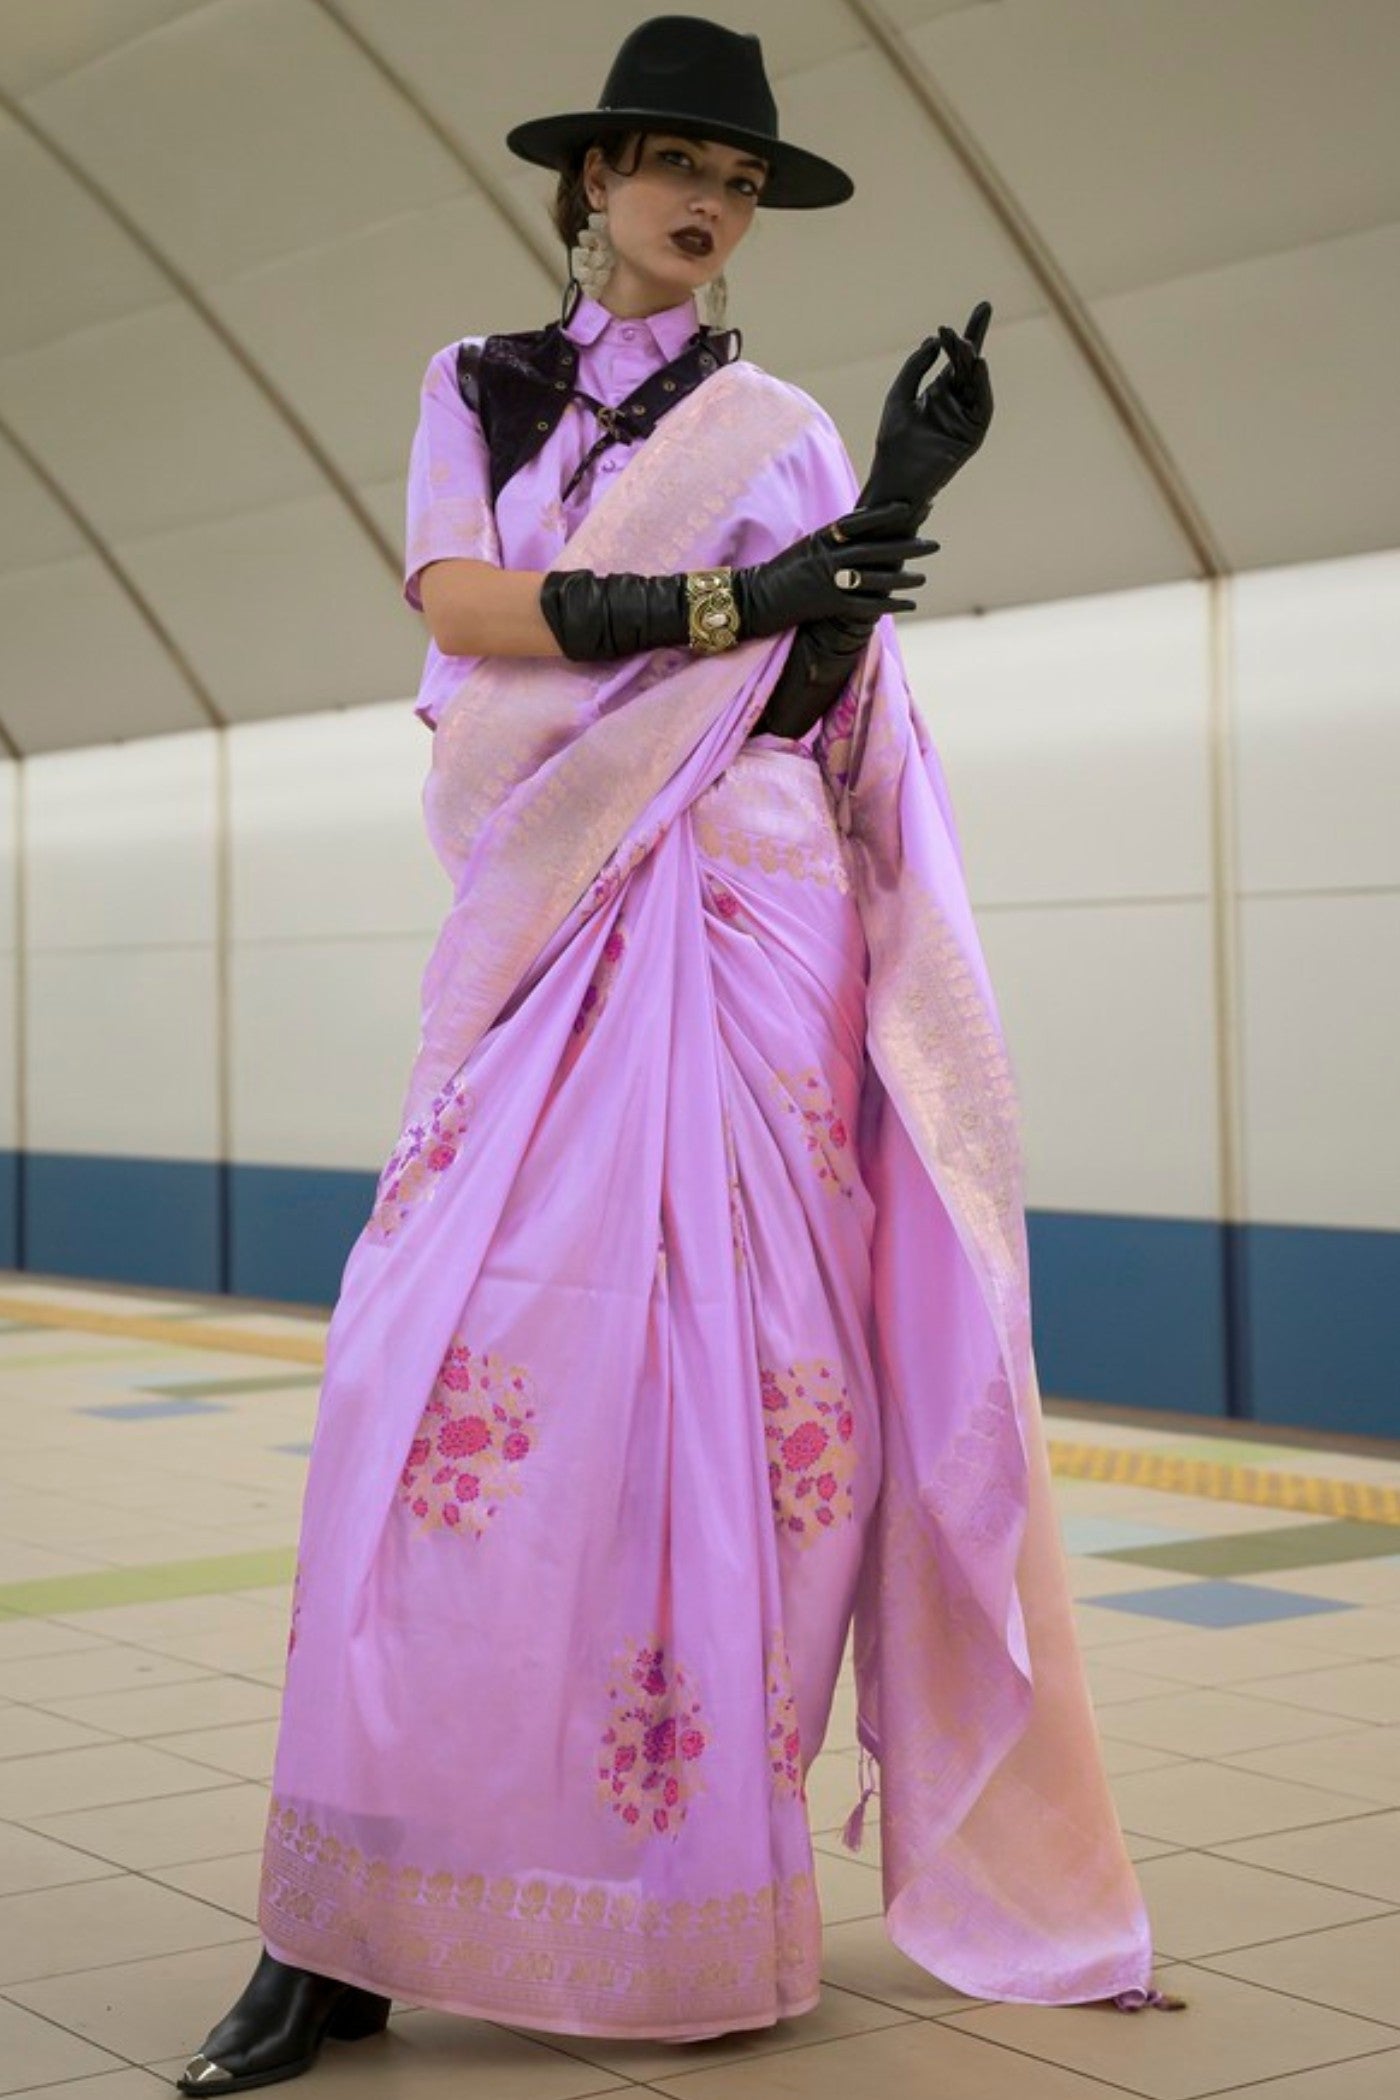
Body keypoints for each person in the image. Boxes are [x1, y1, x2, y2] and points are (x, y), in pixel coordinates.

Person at [177, 15, 1180, 2093]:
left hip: (749, 938)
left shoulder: (790, 426)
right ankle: (339, 1929)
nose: (702, 199)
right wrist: (729, 613)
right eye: (666, 163)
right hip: (550, 941)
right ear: (591, 184)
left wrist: (891, 503)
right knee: (422, 1393)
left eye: (732, 174)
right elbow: (465, 607)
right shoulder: (475, 387)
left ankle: (675, 1902)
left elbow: (824, 709)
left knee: (748, 1427)